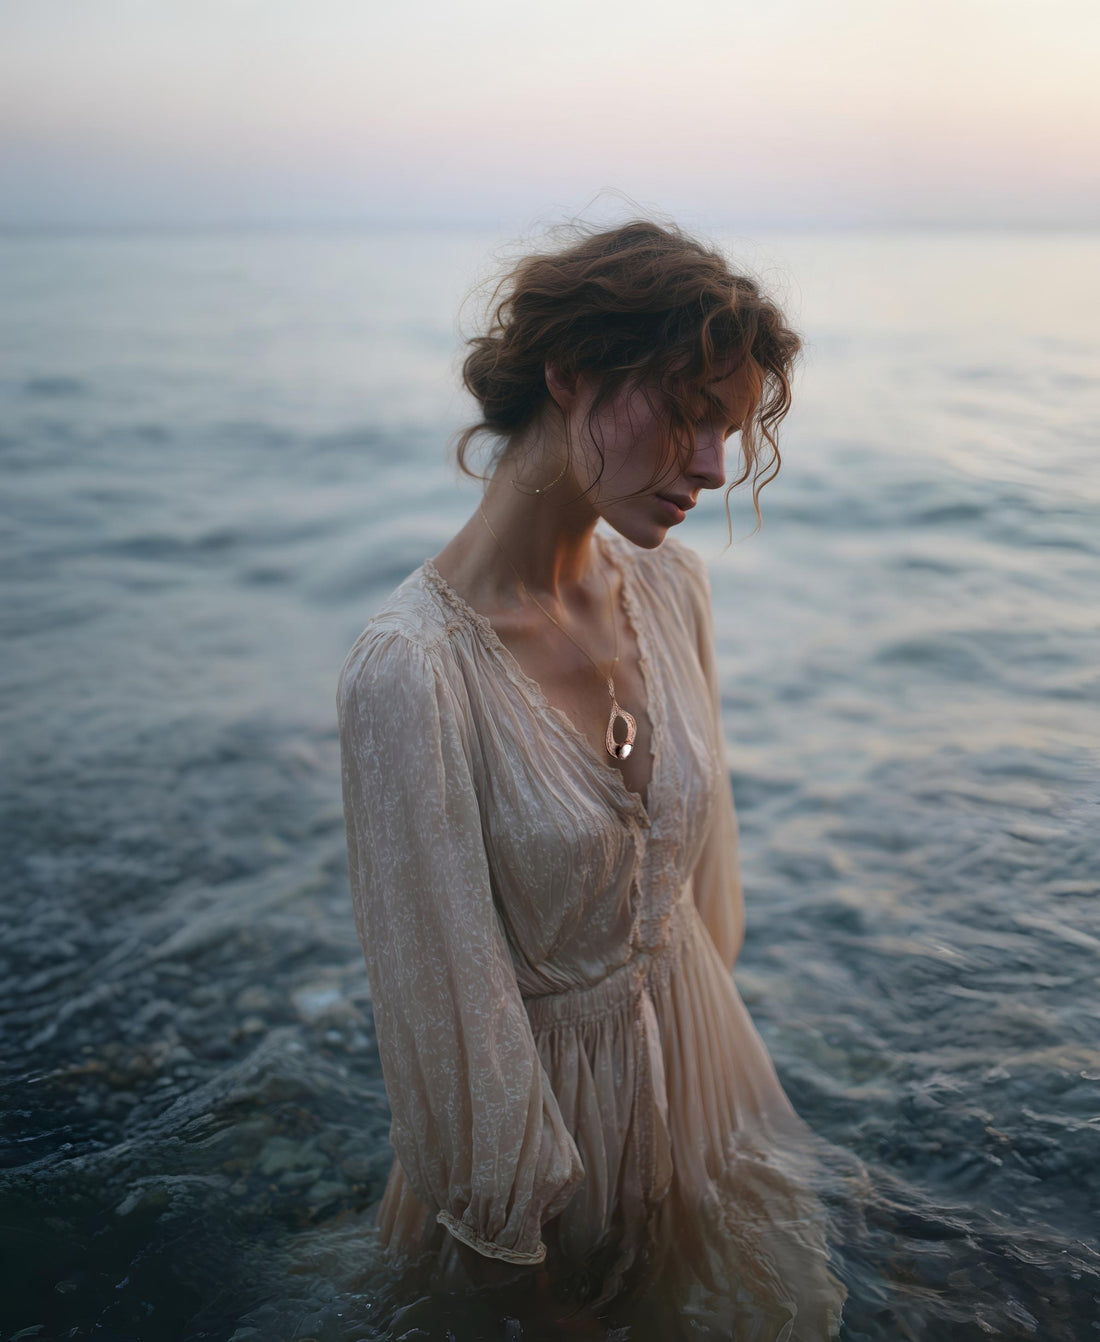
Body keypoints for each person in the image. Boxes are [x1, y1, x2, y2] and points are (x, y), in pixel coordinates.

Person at [336, 219, 847, 1339]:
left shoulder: (669, 589)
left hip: (706, 1082)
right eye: (688, 412)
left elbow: (704, 901)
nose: (712, 467)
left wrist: (700, 1114)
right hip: (542, 1181)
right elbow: (448, 1030)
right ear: (568, 373)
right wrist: (518, 1277)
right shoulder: (412, 672)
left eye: (727, 429)